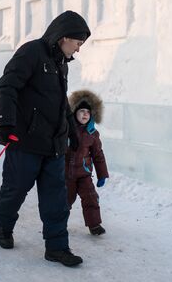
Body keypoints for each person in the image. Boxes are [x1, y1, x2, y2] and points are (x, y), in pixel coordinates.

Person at [0, 10, 90, 267]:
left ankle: (57, 248)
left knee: (56, 200)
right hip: (25, 142)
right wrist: (6, 125)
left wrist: (71, 131)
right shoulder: (31, 53)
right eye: (78, 43)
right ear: (64, 37)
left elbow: (60, 103)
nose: (79, 49)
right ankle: (4, 226)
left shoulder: (61, 63)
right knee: (14, 191)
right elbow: (6, 87)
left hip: (54, 146)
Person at [66, 89, 109, 236]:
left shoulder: (92, 133)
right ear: (74, 113)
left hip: (84, 174)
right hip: (66, 175)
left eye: (88, 112)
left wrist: (102, 174)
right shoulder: (65, 130)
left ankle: (94, 225)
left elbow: (98, 155)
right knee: (65, 200)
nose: (85, 114)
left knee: (91, 197)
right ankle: (59, 222)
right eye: (82, 111)